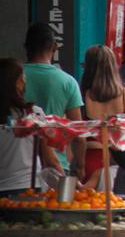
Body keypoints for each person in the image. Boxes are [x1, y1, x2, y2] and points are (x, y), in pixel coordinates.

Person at [23, 22, 86, 177]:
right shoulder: (67, 82)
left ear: (26, 47)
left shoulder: (12, 78)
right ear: (55, 47)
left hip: (18, 166)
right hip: (57, 166)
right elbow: (78, 133)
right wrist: (80, 166)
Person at [80, 45, 125, 183]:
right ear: (114, 68)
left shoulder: (80, 98)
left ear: (87, 68)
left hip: (88, 163)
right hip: (123, 167)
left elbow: (74, 137)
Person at [0, 58, 62, 196]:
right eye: (23, 77)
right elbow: (50, 159)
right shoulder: (34, 114)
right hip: (28, 189)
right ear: (19, 82)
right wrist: (67, 188)